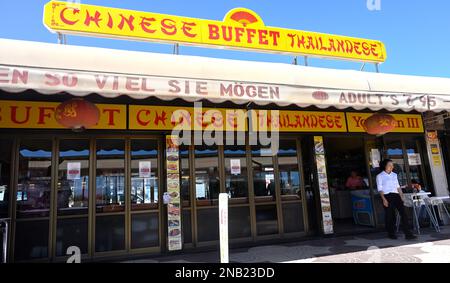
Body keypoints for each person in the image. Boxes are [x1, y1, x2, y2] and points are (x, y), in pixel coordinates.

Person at [376, 159, 417, 240]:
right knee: (390, 216)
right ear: (385, 166)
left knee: (404, 214)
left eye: (392, 165)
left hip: (396, 196)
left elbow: (398, 187)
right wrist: (384, 199)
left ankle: (408, 234)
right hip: (387, 196)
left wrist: (402, 197)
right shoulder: (380, 176)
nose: (392, 167)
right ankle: (391, 233)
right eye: (390, 165)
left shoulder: (394, 175)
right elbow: (380, 189)